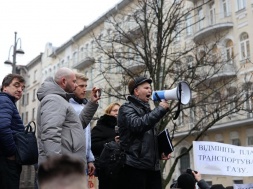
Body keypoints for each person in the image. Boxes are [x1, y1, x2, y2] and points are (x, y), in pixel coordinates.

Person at [36, 67, 99, 167]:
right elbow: (50, 134)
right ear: (64, 81)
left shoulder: (60, 100)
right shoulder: (54, 100)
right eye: (74, 82)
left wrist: (92, 104)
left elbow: (76, 126)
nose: (75, 85)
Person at [118, 76, 171, 189]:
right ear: (136, 91)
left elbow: (147, 138)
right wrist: (160, 109)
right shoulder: (126, 108)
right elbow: (137, 125)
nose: (150, 91)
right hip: (135, 166)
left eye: (150, 88)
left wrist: (160, 151)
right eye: (146, 88)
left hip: (152, 167)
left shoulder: (147, 110)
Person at [0, 74, 26, 189]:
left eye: (22, 88)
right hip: (5, 160)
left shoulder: (7, 101)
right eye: (16, 86)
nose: (20, 90)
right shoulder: (5, 100)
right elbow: (2, 128)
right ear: (5, 87)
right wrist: (12, 153)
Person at [69, 73, 97, 177]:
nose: (84, 89)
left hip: (83, 161)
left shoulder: (84, 106)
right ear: (73, 86)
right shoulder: (67, 106)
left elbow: (87, 135)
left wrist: (90, 159)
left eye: (85, 86)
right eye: (81, 86)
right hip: (71, 160)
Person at [91, 102, 121, 189]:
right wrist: (112, 141)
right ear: (108, 112)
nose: (117, 113)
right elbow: (94, 146)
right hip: (106, 169)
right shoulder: (100, 128)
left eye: (119, 110)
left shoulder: (125, 127)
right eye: (115, 110)